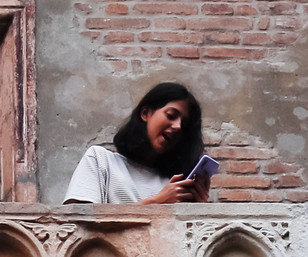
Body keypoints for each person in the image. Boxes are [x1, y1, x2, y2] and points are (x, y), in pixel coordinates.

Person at [64, 82, 210, 205]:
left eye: (184, 125)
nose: (178, 126)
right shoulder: (101, 161)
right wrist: (157, 202)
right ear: (145, 113)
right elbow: (78, 221)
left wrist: (199, 210)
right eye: (171, 115)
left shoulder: (177, 185)